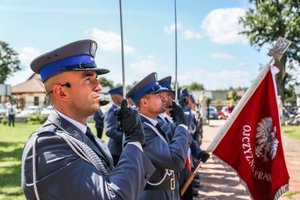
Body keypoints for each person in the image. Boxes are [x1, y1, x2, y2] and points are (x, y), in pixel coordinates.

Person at [21, 39, 155, 200]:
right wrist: (133, 142)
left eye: (97, 79)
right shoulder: (47, 145)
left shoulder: (88, 137)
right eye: (88, 79)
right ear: (61, 92)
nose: (99, 87)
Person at [126, 72, 192, 200]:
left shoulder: (155, 125)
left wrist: (180, 124)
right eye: (158, 96)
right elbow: (176, 161)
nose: (165, 99)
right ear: (144, 103)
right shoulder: (141, 130)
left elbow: (186, 141)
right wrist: (182, 125)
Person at [104, 86, 124, 166]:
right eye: (122, 95)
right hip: (116, 151)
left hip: (122, 149)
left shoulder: (123, 109)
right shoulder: (112, 111)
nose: (124, 97)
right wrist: (125, 137)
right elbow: (109, 130)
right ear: (115, 97)